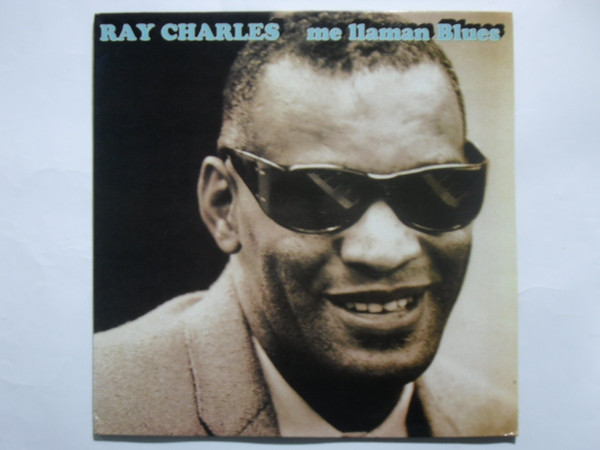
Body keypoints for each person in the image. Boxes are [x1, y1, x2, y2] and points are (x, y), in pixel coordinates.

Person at [94, 12, 516, 437]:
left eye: (434, 189)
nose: (386, 251)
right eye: (320, 195)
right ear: (224, 206)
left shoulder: (496, 421)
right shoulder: (101, 403)